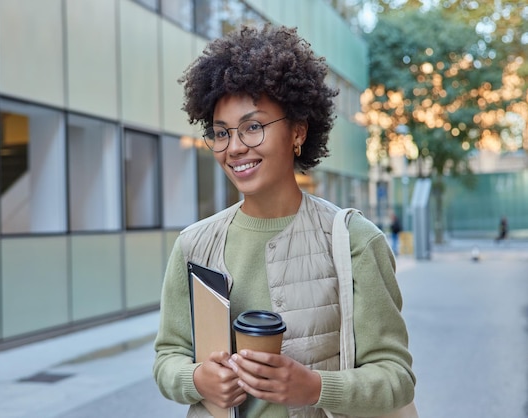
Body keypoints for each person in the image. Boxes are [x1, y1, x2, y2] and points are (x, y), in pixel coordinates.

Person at [153, 25, 415, 418]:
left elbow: (397, 377)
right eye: (221, 133)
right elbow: (168, 356)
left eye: (253, 126)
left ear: (298, 132)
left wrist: (315, 387)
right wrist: (196, 380)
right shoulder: (194, 245)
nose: (234, 147)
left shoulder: (354, 240)